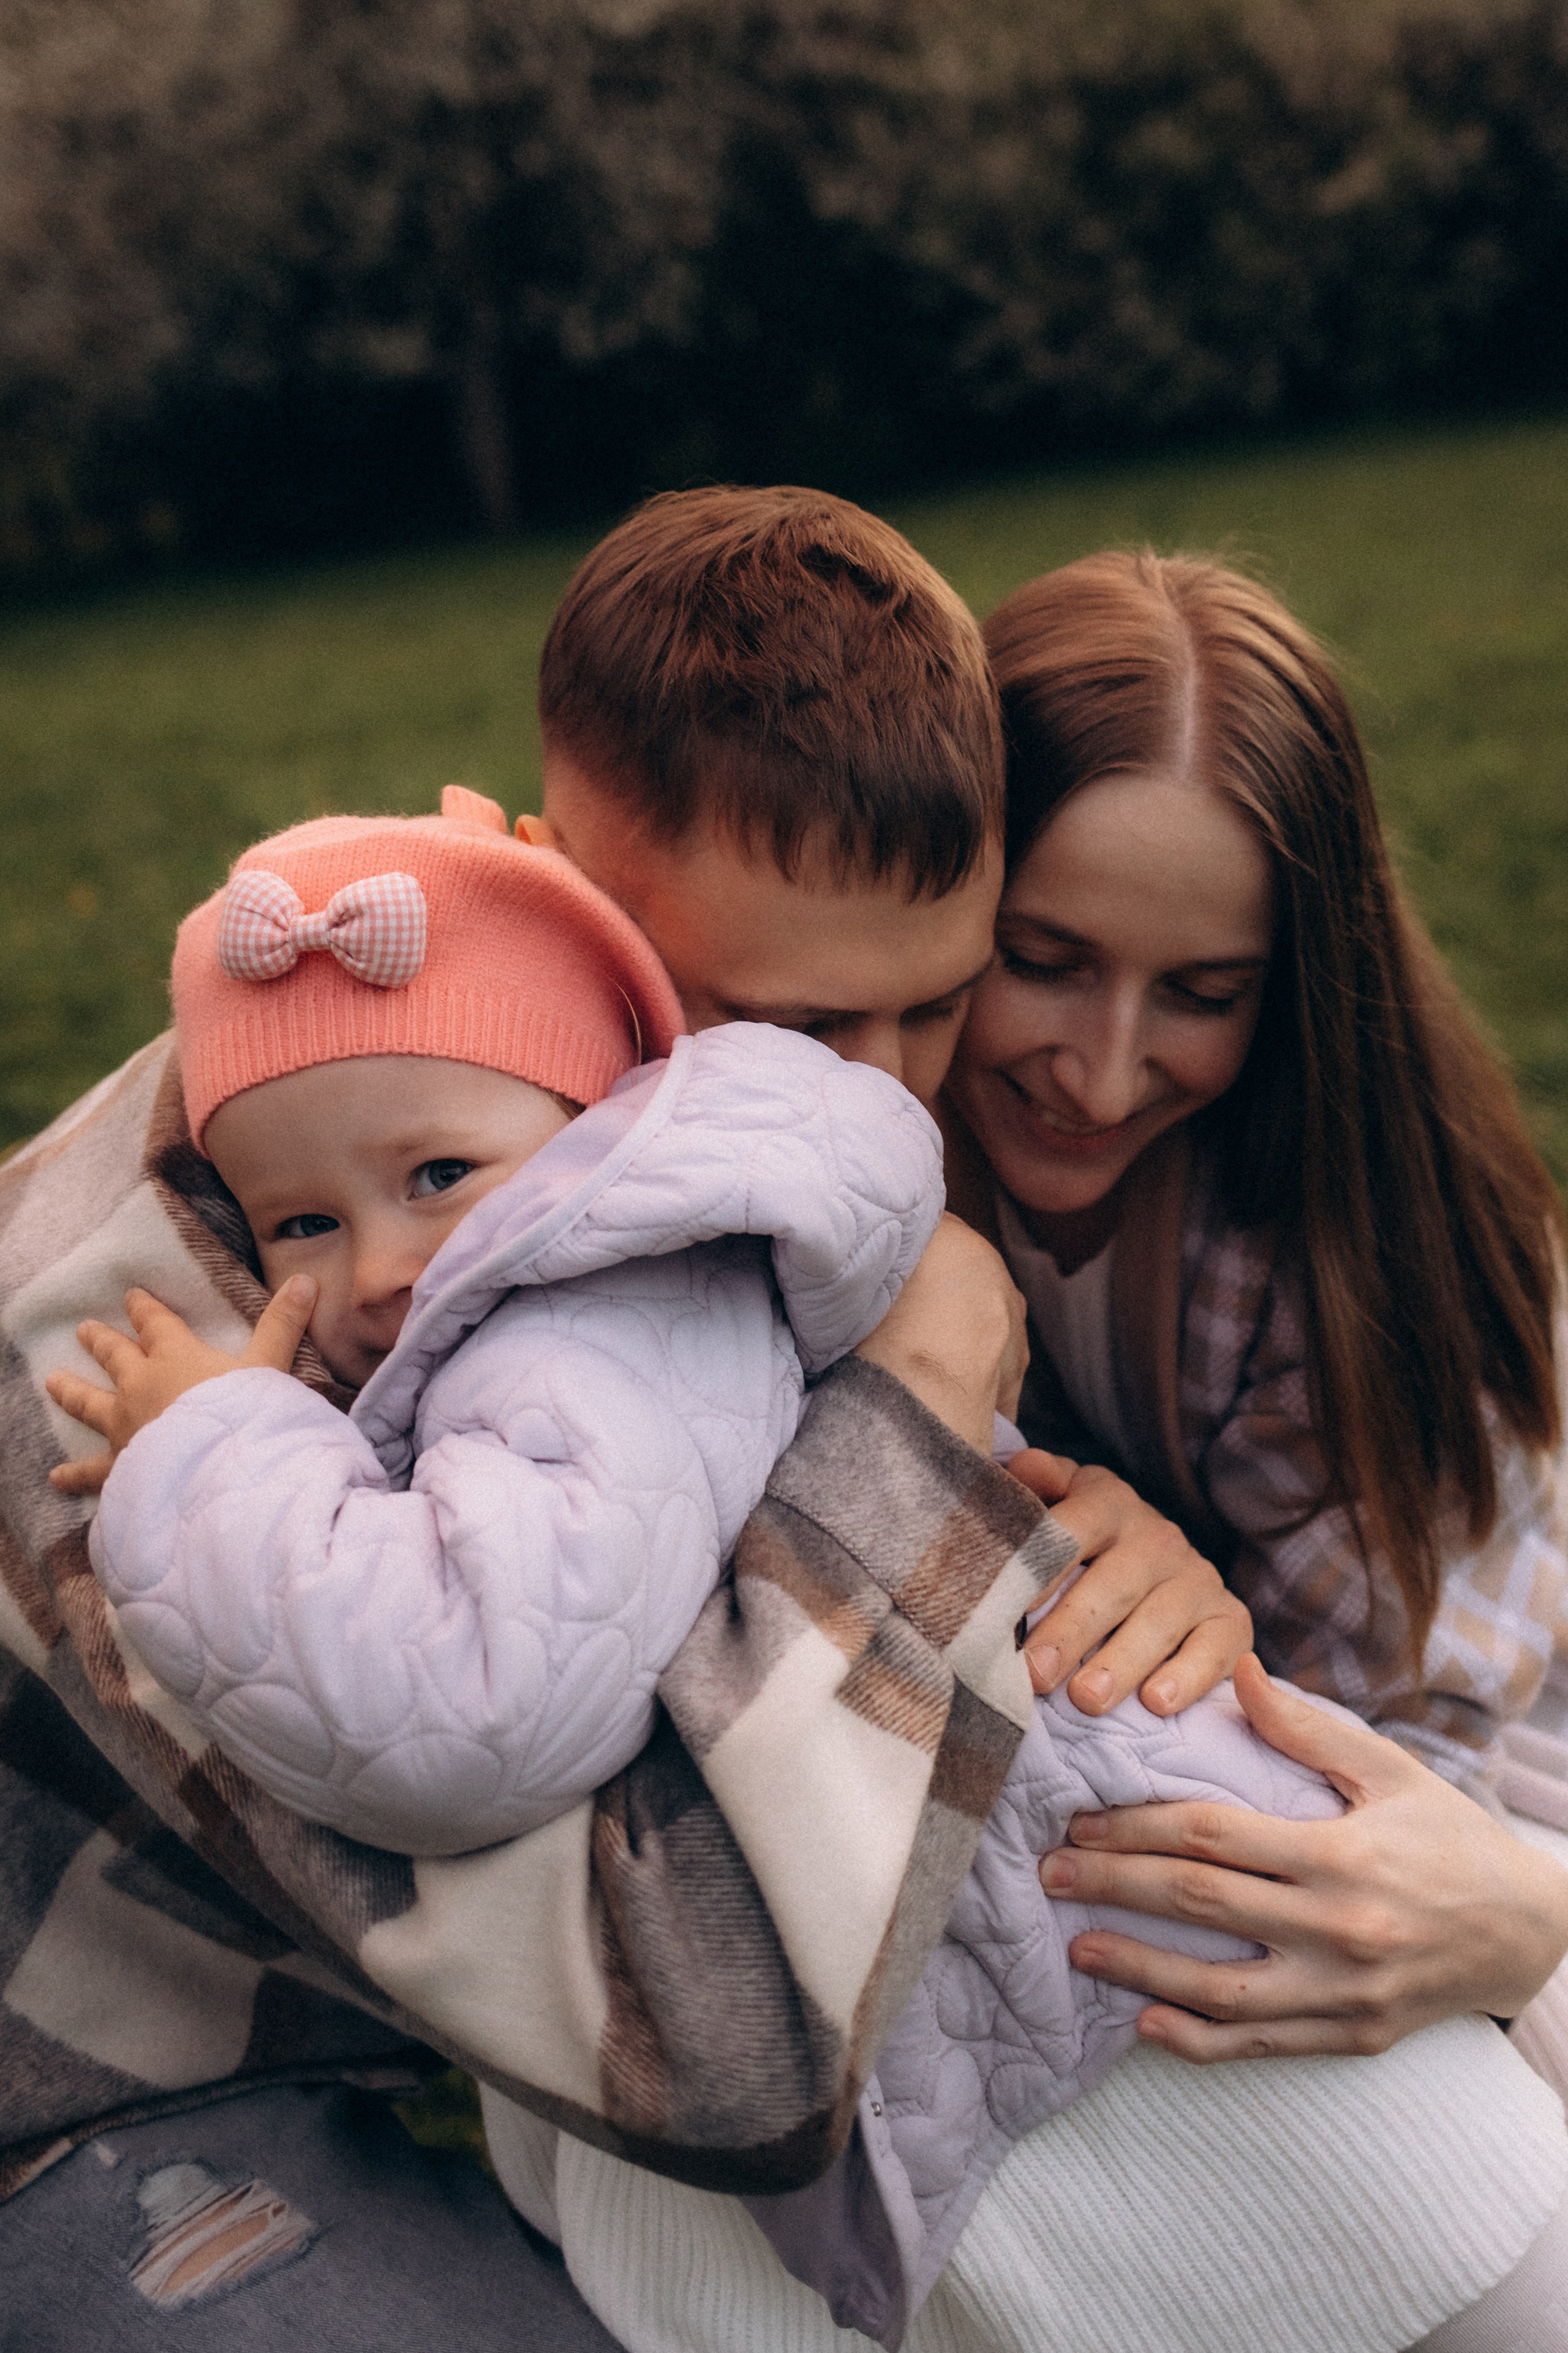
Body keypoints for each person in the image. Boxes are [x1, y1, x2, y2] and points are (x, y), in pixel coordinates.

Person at [0, 491, 1555, 2353]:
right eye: (806, 1029)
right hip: (103, 2087)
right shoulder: (170, 1335)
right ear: (551, 885)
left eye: (938, 1002)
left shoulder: (640, 1134)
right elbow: (700, 2028)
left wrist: (1093, 1544)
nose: (898, 1104)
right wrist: (909, 1417)